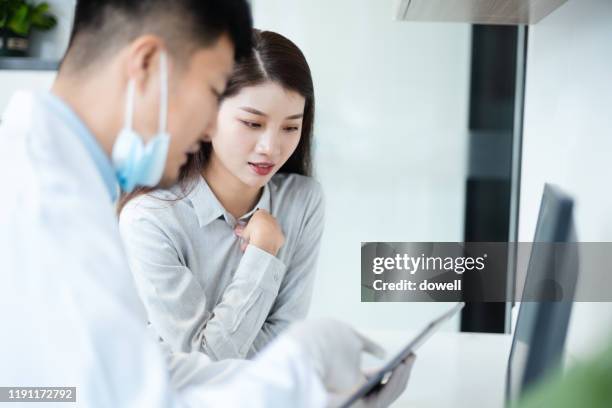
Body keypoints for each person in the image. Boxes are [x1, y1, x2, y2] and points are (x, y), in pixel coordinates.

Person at [0, 1, 414, 407]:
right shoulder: (46, 205)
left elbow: (148, 370)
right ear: (146, 64)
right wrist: (297, 376)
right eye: (213, 92)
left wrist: (304, 379)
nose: (204, 130)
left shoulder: (65, 182)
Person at [118, 29, 323, 361]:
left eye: (290, 127)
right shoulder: (149, 218)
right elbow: (203, 359)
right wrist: (263, 252)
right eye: (252, 124)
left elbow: (286, 337)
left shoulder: (302, 201)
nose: (271, 148)